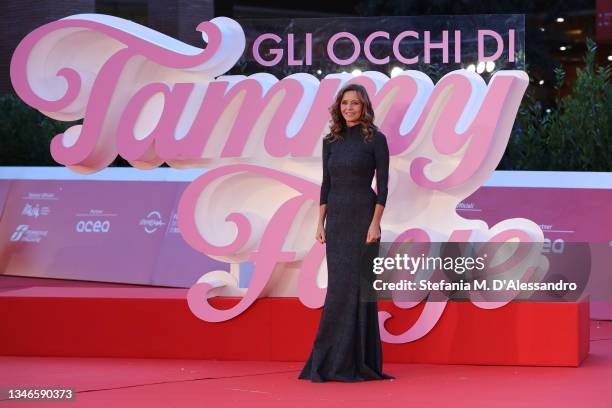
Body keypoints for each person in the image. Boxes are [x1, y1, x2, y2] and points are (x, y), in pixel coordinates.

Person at [298, 84, 393, 382]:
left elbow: (384, 187)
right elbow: (326, 185)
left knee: (360, 290)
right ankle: (330, 361)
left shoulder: (376, 140)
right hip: (337, 222)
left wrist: (375, 224)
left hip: (364, 220)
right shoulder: (331, 140)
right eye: (344, 104)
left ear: (364, 106)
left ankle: (359, 362)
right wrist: (319, 224)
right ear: (338, 108)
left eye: (354, 103)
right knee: (339, 290)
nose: (349, 108)